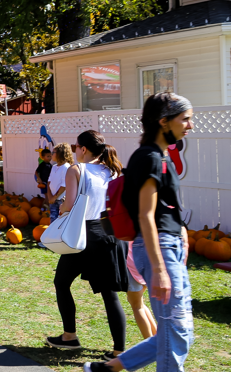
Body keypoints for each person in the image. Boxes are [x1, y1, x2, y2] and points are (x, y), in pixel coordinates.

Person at [87, 93, 195, 372]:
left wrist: (180, 227)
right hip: (159, 250)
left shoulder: (160, 155)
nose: (189, 125)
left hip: (168, 247)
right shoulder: (148, 157)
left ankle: (109, 369)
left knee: (177, 331)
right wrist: (159, 269)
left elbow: (161, 209)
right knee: (176, 332)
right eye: (185, 119)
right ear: (163, 121)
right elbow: (145, 215)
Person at [45, 130, 128, 359]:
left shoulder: (76, 169)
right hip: (110, 234)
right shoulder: (112, 169)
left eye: (75, 147)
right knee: (110, 295)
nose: (74, 151)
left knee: (61, 282)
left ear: (83, 149)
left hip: (84, 235)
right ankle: (119, 350)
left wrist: (61, 208)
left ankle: (70, 336)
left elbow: (69, 205)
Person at [125, 242, 157, 341]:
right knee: (139, 304)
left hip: (132, 265)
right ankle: (157, 339)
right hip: (145, 262)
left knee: (137, 306)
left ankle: (150, 344)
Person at [48, 143, 73, 221]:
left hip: (61, 200)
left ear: (60, 154)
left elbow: (64, 185)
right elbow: (49, 181)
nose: (51, 154)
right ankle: (53, 233)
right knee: (53, 218)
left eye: (53, 153)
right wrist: (50, 197)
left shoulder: (66, 167)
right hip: (53, 199)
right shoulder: (54, 167)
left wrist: (54, 197)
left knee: (62, 220)